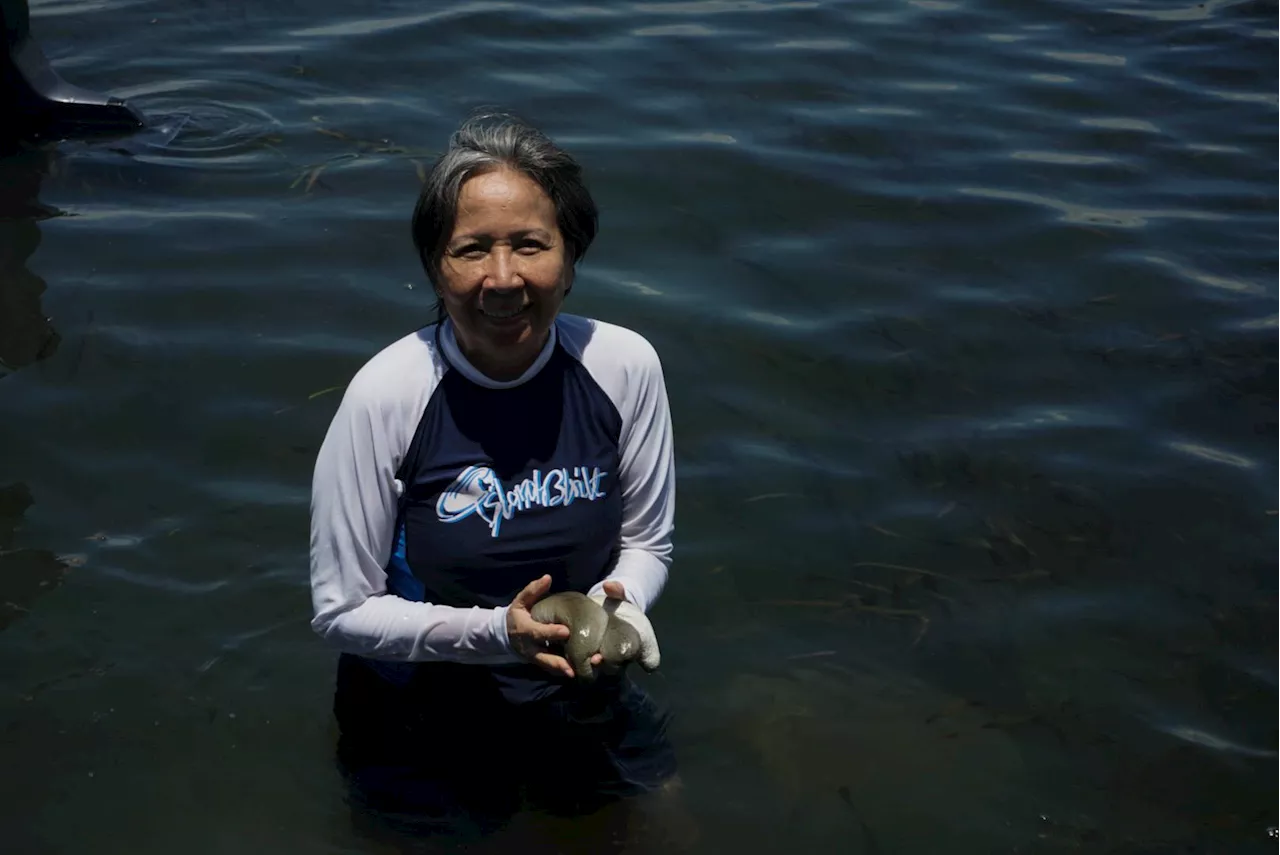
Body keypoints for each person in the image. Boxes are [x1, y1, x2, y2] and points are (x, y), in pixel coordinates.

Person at [308, 110, 678, 836]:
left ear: (570, 260)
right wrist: (495, 635)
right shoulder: (389, 393)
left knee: (660, 829)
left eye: (531, 245)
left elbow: (649, 543)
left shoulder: (623, 365)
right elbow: (340, 610)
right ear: (434, 269)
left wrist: (623, 606)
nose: (502, 279)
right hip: (416, 712)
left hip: (578, 690)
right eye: (471, 249)